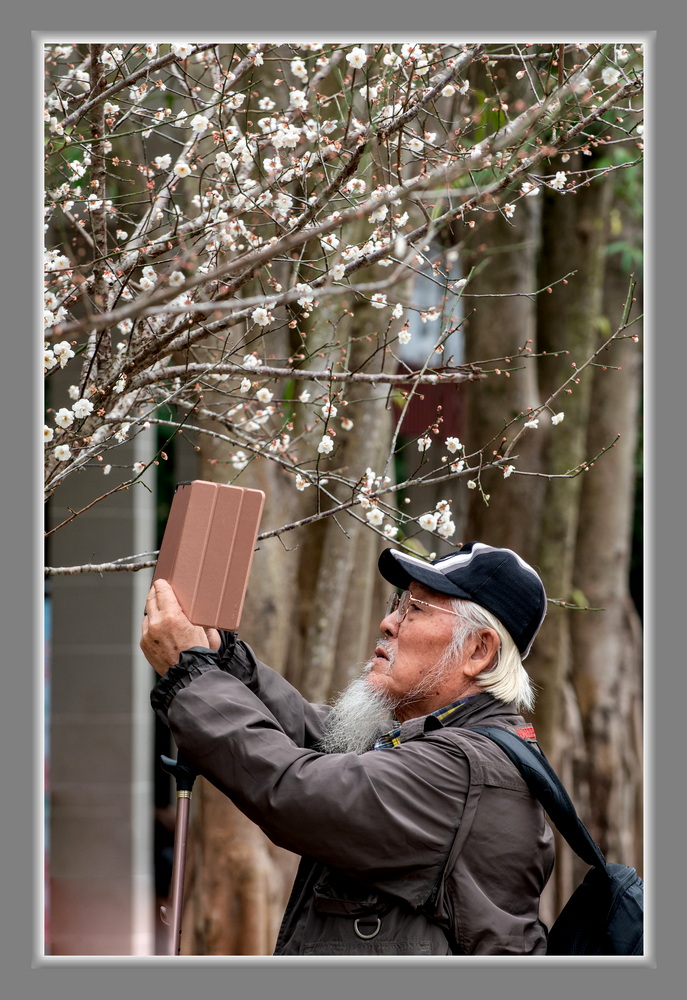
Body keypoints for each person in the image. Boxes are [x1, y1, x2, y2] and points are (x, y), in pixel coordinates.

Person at [141, 541, 555, 956]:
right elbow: (319, 739)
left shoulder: (460, 769)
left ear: (479, 651)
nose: (389, 622)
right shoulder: (442, 742)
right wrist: (223, 659)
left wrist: (190, 674)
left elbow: (296, 790)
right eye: (398, 603)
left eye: (416, 609)